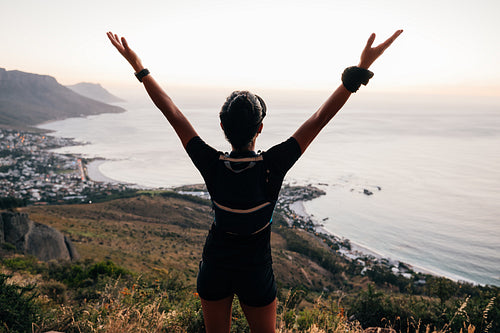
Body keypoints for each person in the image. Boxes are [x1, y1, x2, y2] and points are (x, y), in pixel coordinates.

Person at [107, 29, 402, 333]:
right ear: (260, 128)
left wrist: (139, 67)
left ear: (222, 125)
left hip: (215, 265)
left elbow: (173, 113)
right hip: (256, 270)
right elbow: (319, 119)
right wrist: (358, 72)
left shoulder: (212, 164)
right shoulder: (272, 166)